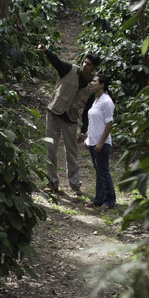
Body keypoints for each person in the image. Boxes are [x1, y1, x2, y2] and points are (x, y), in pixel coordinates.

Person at [37, 45, 100, 195]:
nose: (85, 65)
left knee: (72, 153)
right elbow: (56, 62)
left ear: (94, 69)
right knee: (50, 149)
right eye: (85, 62)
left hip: (70, 119)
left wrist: (84, 130)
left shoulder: (91, 88)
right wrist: (46, 51)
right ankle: (52, 183)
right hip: (54, 113)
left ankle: (75, 185)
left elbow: (87, 110)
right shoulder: (68, 69)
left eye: (89, 64)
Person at [84, 74, 116, 210]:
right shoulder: (96, 100)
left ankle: (109, 201)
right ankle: (98, 199)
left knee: (103, 171)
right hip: (93, 142)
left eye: (94, 81)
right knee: (98, 171)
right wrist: (88, 138)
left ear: (102, 84)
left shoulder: (106, 101)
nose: (92, 83)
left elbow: (109, 124)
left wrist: (101, 143)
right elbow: (94, 122)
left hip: (101, 143)